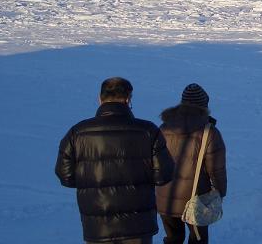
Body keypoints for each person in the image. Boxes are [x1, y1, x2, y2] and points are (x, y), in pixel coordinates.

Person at [55, 77, 174, 244]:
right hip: (138, 224)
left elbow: (65, 175)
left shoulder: (78, 132)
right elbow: (164, 174)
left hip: (98, 223)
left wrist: (91, 182)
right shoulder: (148, 130)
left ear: (100, 98)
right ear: (128, 99)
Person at [156, 83, 227, 244]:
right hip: (196, 200)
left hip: (165, 197)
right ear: (204, 106)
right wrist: (219, 193)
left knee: (173, 239)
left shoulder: (163, 128)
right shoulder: (209, 132)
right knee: (198, 239)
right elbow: (217, 169)